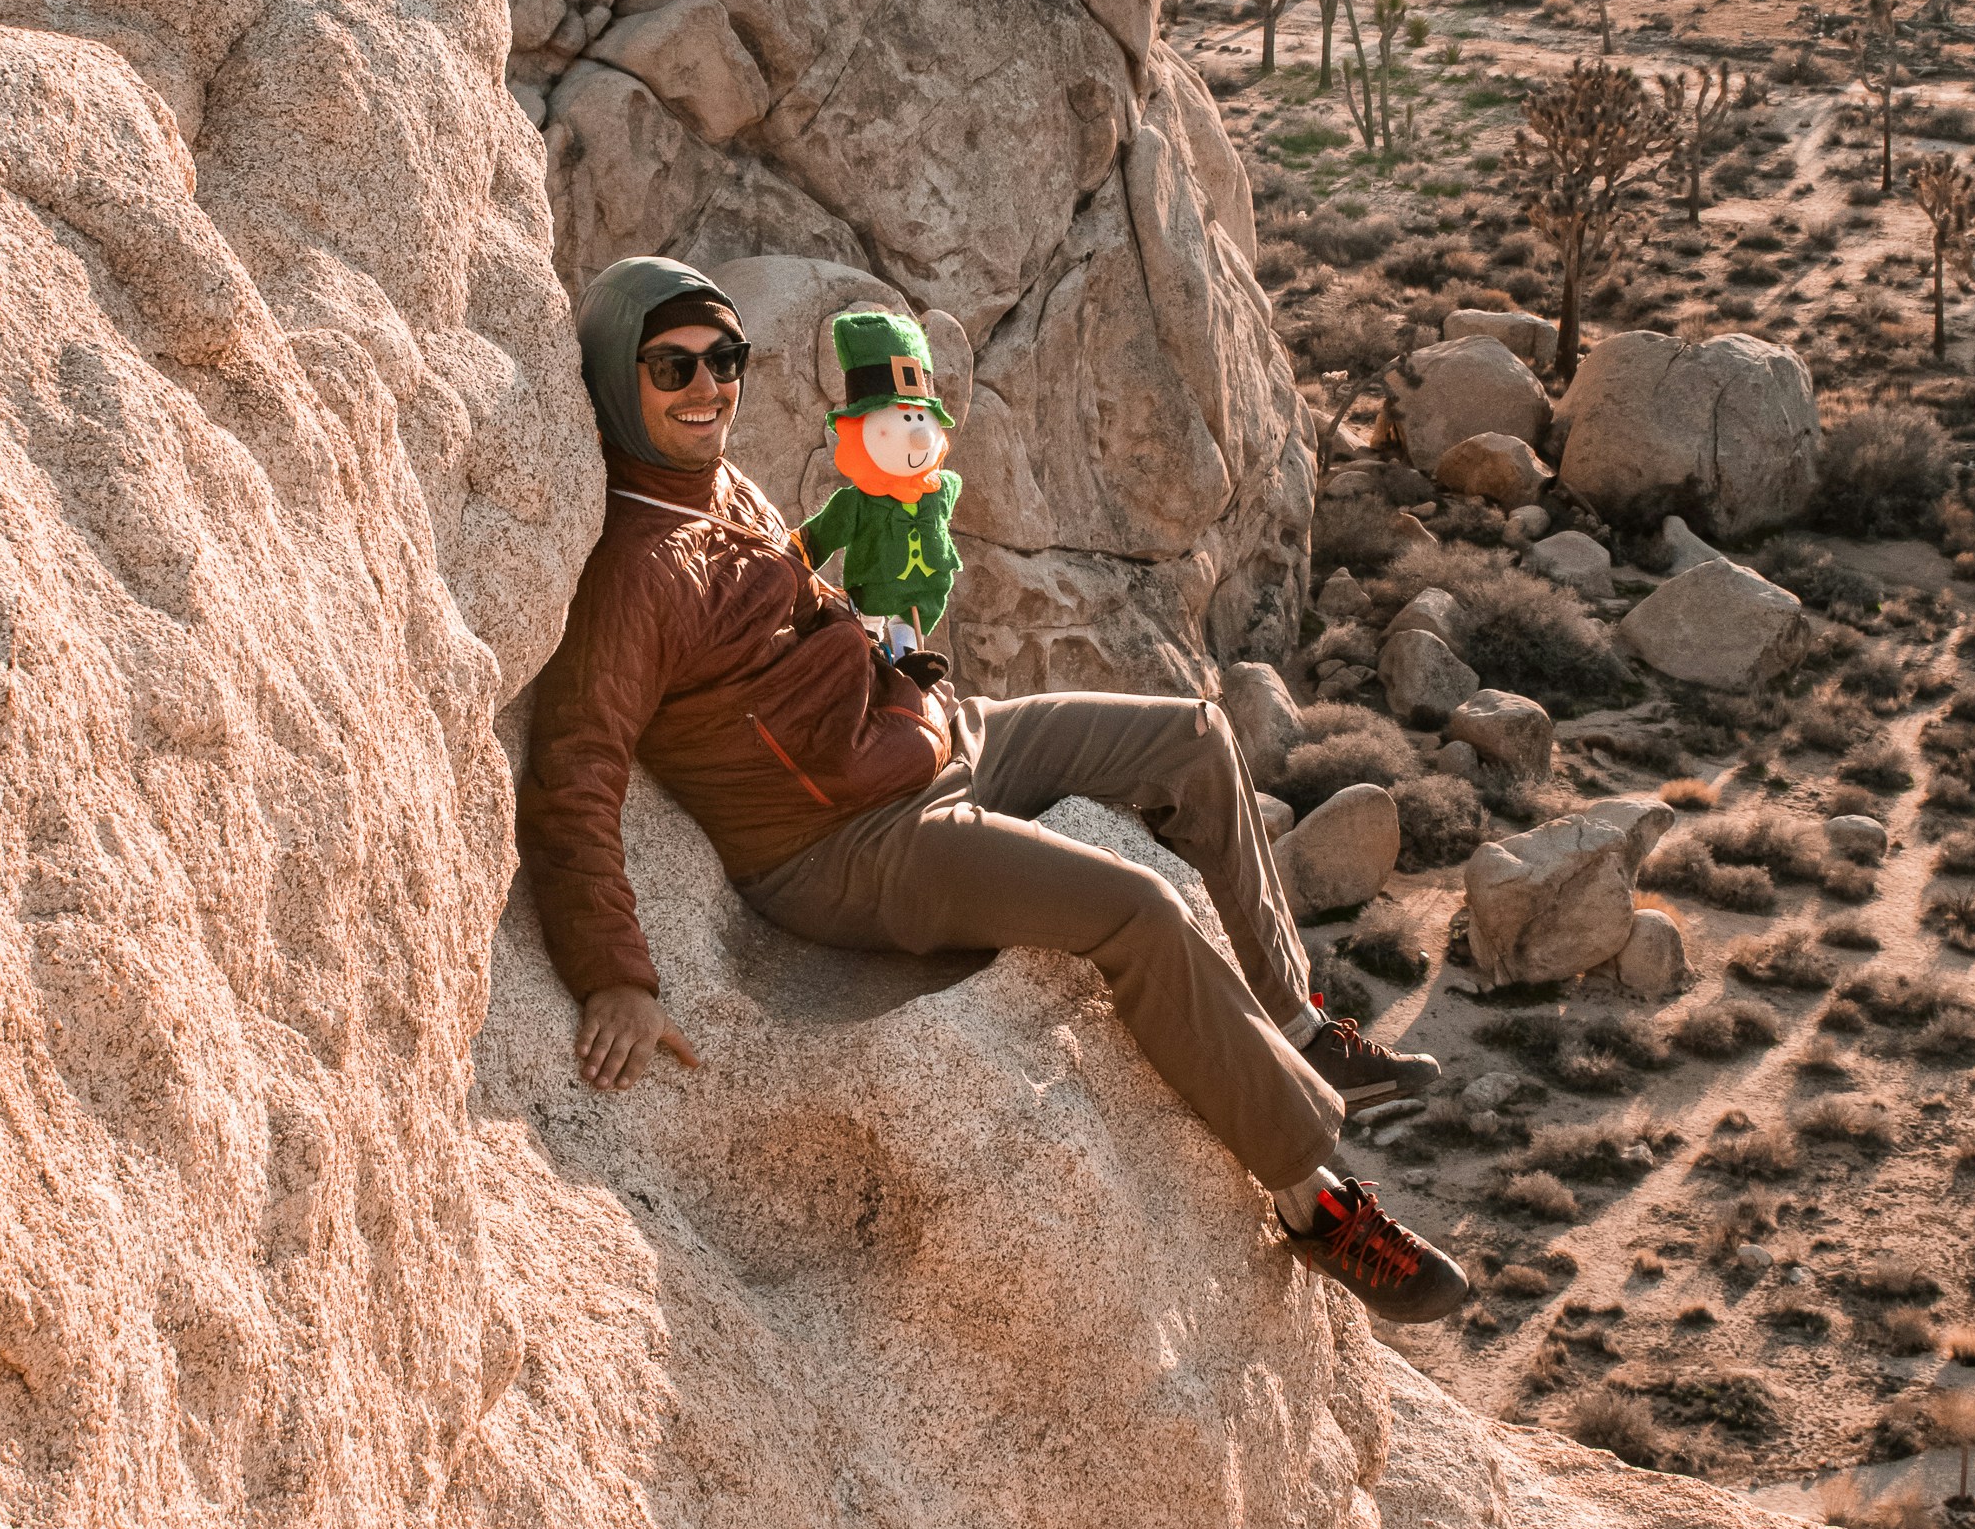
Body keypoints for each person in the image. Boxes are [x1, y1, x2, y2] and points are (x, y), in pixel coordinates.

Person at [517, 255, 1469, 1324]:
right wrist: (614, 973)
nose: (708, 387)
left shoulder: (719, 486)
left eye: (725, 359)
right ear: (618, 377)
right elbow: (574, 771)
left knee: (1196, 738)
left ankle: (1294, 1021)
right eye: (672, 366)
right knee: (1137, 909)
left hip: (926, 735)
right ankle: (1314, 1198)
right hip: (850, 843)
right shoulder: (636, 570)